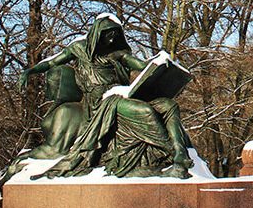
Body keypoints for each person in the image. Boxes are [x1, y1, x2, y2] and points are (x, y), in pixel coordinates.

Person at [18, 13, 191, 178]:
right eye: (107, 35)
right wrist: (29, 71)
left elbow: (142, 64)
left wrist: (162, 64)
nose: (111, 40)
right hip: (102, 104)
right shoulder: (79, 48)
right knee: (144, 110)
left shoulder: (117, 53)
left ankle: (180, 155)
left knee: (169, 105)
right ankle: (169, 151)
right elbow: (53, 61)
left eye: (115, 36)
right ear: (96, 34)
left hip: (120, 95)